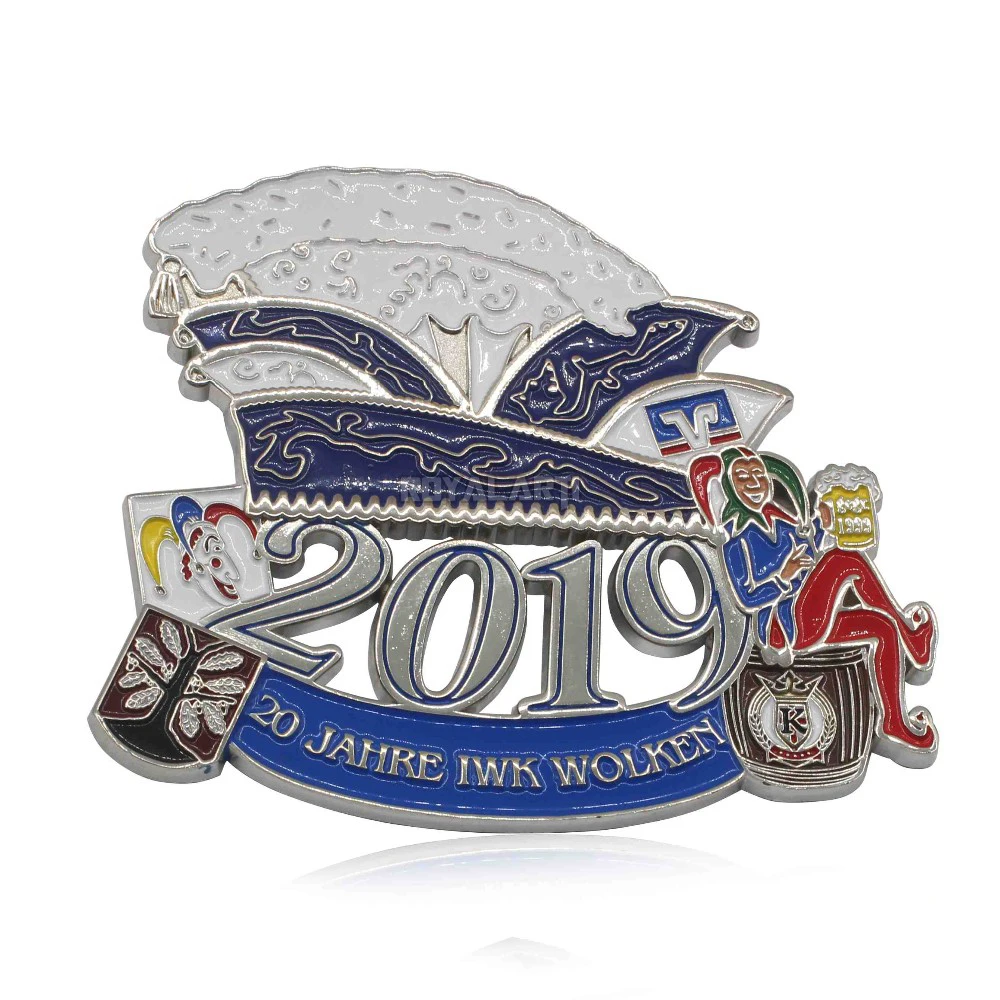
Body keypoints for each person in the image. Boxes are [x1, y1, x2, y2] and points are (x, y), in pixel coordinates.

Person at [689, 446, 937, 762]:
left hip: (810, 615)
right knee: (844, 560)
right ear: (730, 489)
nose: (753, 482)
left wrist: (823, 522)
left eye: (758, 474)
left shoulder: (781, 523)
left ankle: (894, 723)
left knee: (882, 629)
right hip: (783, 627)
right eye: (742, 477)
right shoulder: (736, 539)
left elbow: (810, 552)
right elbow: (746, 597)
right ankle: (913, 640)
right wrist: (783, 576)